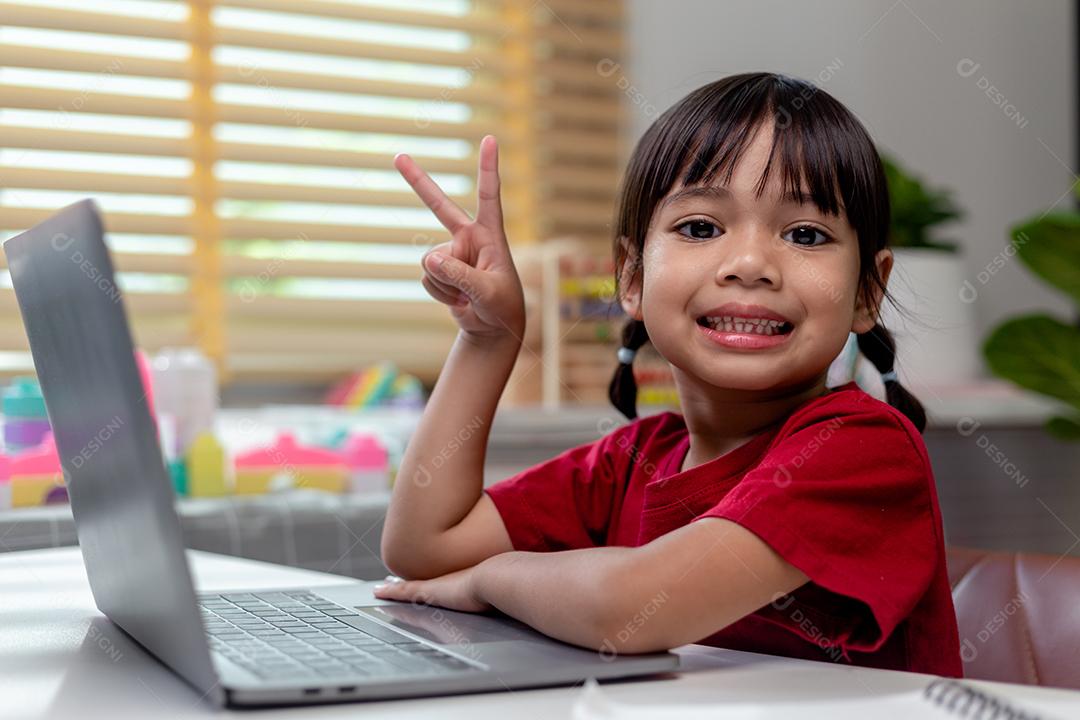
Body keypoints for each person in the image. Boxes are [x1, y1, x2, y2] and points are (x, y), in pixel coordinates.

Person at [375, 72, 961, 677]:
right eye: (701, 228)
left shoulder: (863, 448)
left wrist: (489, 578)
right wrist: (487, 339)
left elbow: (626, 608)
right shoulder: (631, 460)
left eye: (805, 234)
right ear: (631, 277)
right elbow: (424, 549)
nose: (750, 264)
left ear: (868, 291)